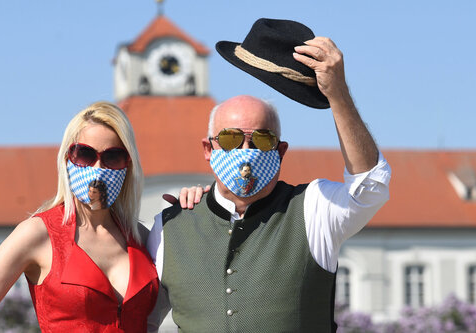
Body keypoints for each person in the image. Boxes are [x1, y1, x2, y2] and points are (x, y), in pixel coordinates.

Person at [147, 19, 392, 332]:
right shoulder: (169, 227)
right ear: (208, 149)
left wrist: (338, 95)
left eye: (262, 140)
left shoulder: (313, 209)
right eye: (232, 139)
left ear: (280, 151)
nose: (246, 151)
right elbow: (145, 318)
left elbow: (370, 185)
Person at [0, 101, 159, 332]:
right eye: (85, 154)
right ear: (68, 158)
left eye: (113, 157)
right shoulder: (38, 234)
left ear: (128, 164)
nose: (98, 167)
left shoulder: (141, 238)